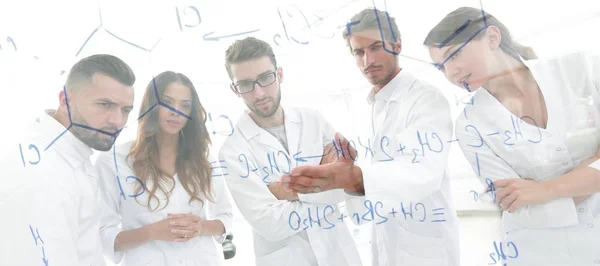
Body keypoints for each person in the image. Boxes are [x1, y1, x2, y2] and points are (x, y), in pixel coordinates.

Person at [281, 8, 460, 266]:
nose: (368, 61)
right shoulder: (368, 108)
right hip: (385, 241)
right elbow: (365, 181)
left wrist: (356, 178)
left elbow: (423, 171)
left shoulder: (426, 99)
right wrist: (333, 180)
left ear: (397, 45)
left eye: (376, 48)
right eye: (359, 52)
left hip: (427, 245)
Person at [423, 6, 600, 266]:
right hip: (539, 252)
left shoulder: (583, 68)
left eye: (455, 54)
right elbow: (522, 207)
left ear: (492, 38)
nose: (451, 72)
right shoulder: (469, 125)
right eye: (441, 67)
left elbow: (532, 196)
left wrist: (545, 189)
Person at [218, 37, 362, 266]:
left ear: (280, 74)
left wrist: (286, 191)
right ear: (235, 89)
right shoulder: (232, 152)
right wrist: (324, 181)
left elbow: (349, 184)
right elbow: (270, 225)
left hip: (338, 254)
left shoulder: (312, 120)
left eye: (265, 78)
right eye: (245, 84)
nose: (259, 94)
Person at [0, 54, 135, 266]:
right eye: (104, 104)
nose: (117, 121)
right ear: (65, 101)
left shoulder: (73, 155)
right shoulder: (44, 173)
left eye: (125, 110)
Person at [95, 71, 234, 265]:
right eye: (167, 102)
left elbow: (226, 217)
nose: (176, 111)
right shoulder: (113, 161)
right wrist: (152, 232)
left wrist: (200, 227)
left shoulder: (203, 159)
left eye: (184, 105)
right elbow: (103, 233)